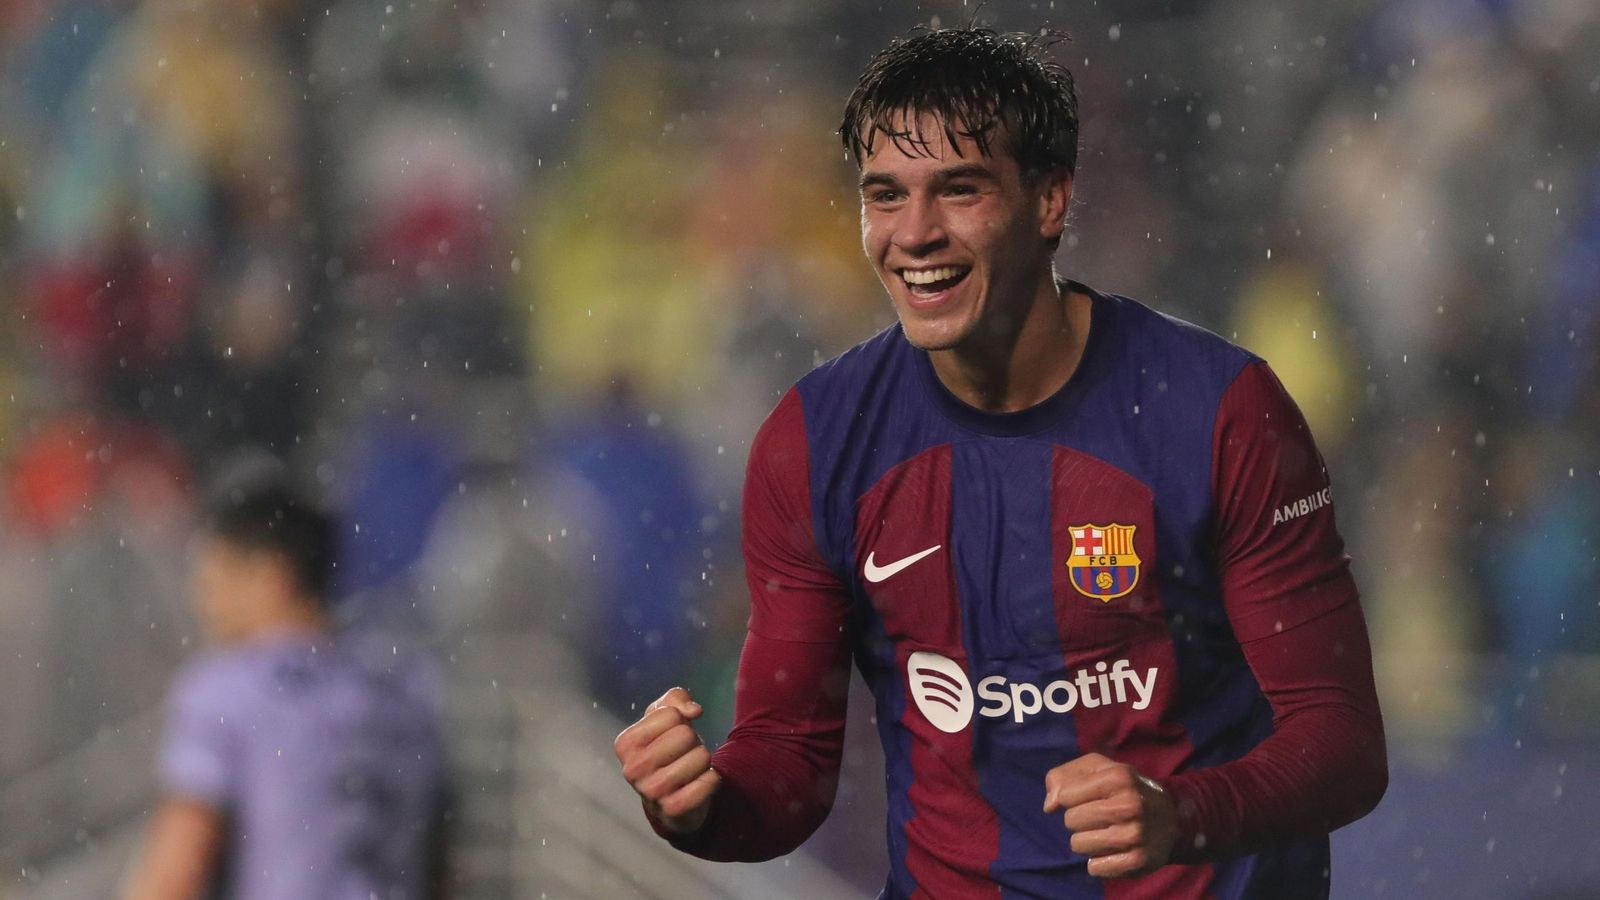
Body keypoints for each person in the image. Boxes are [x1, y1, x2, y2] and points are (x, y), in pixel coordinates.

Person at [614, 24, 1388, 899]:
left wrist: (1183, 813)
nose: (914, 234)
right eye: (885, 196)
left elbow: (1343, 744)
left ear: (1051, 201)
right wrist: (700, 805)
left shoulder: (1221, 411)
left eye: (959, 190)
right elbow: (787, 766)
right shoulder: (814, 441)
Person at [122, 468, 450, 900]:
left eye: (214, 577)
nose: (202, 599)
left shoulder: (226, 691)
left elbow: (175, 872)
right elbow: (439, 864)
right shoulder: (405, 688)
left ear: (270, 576)